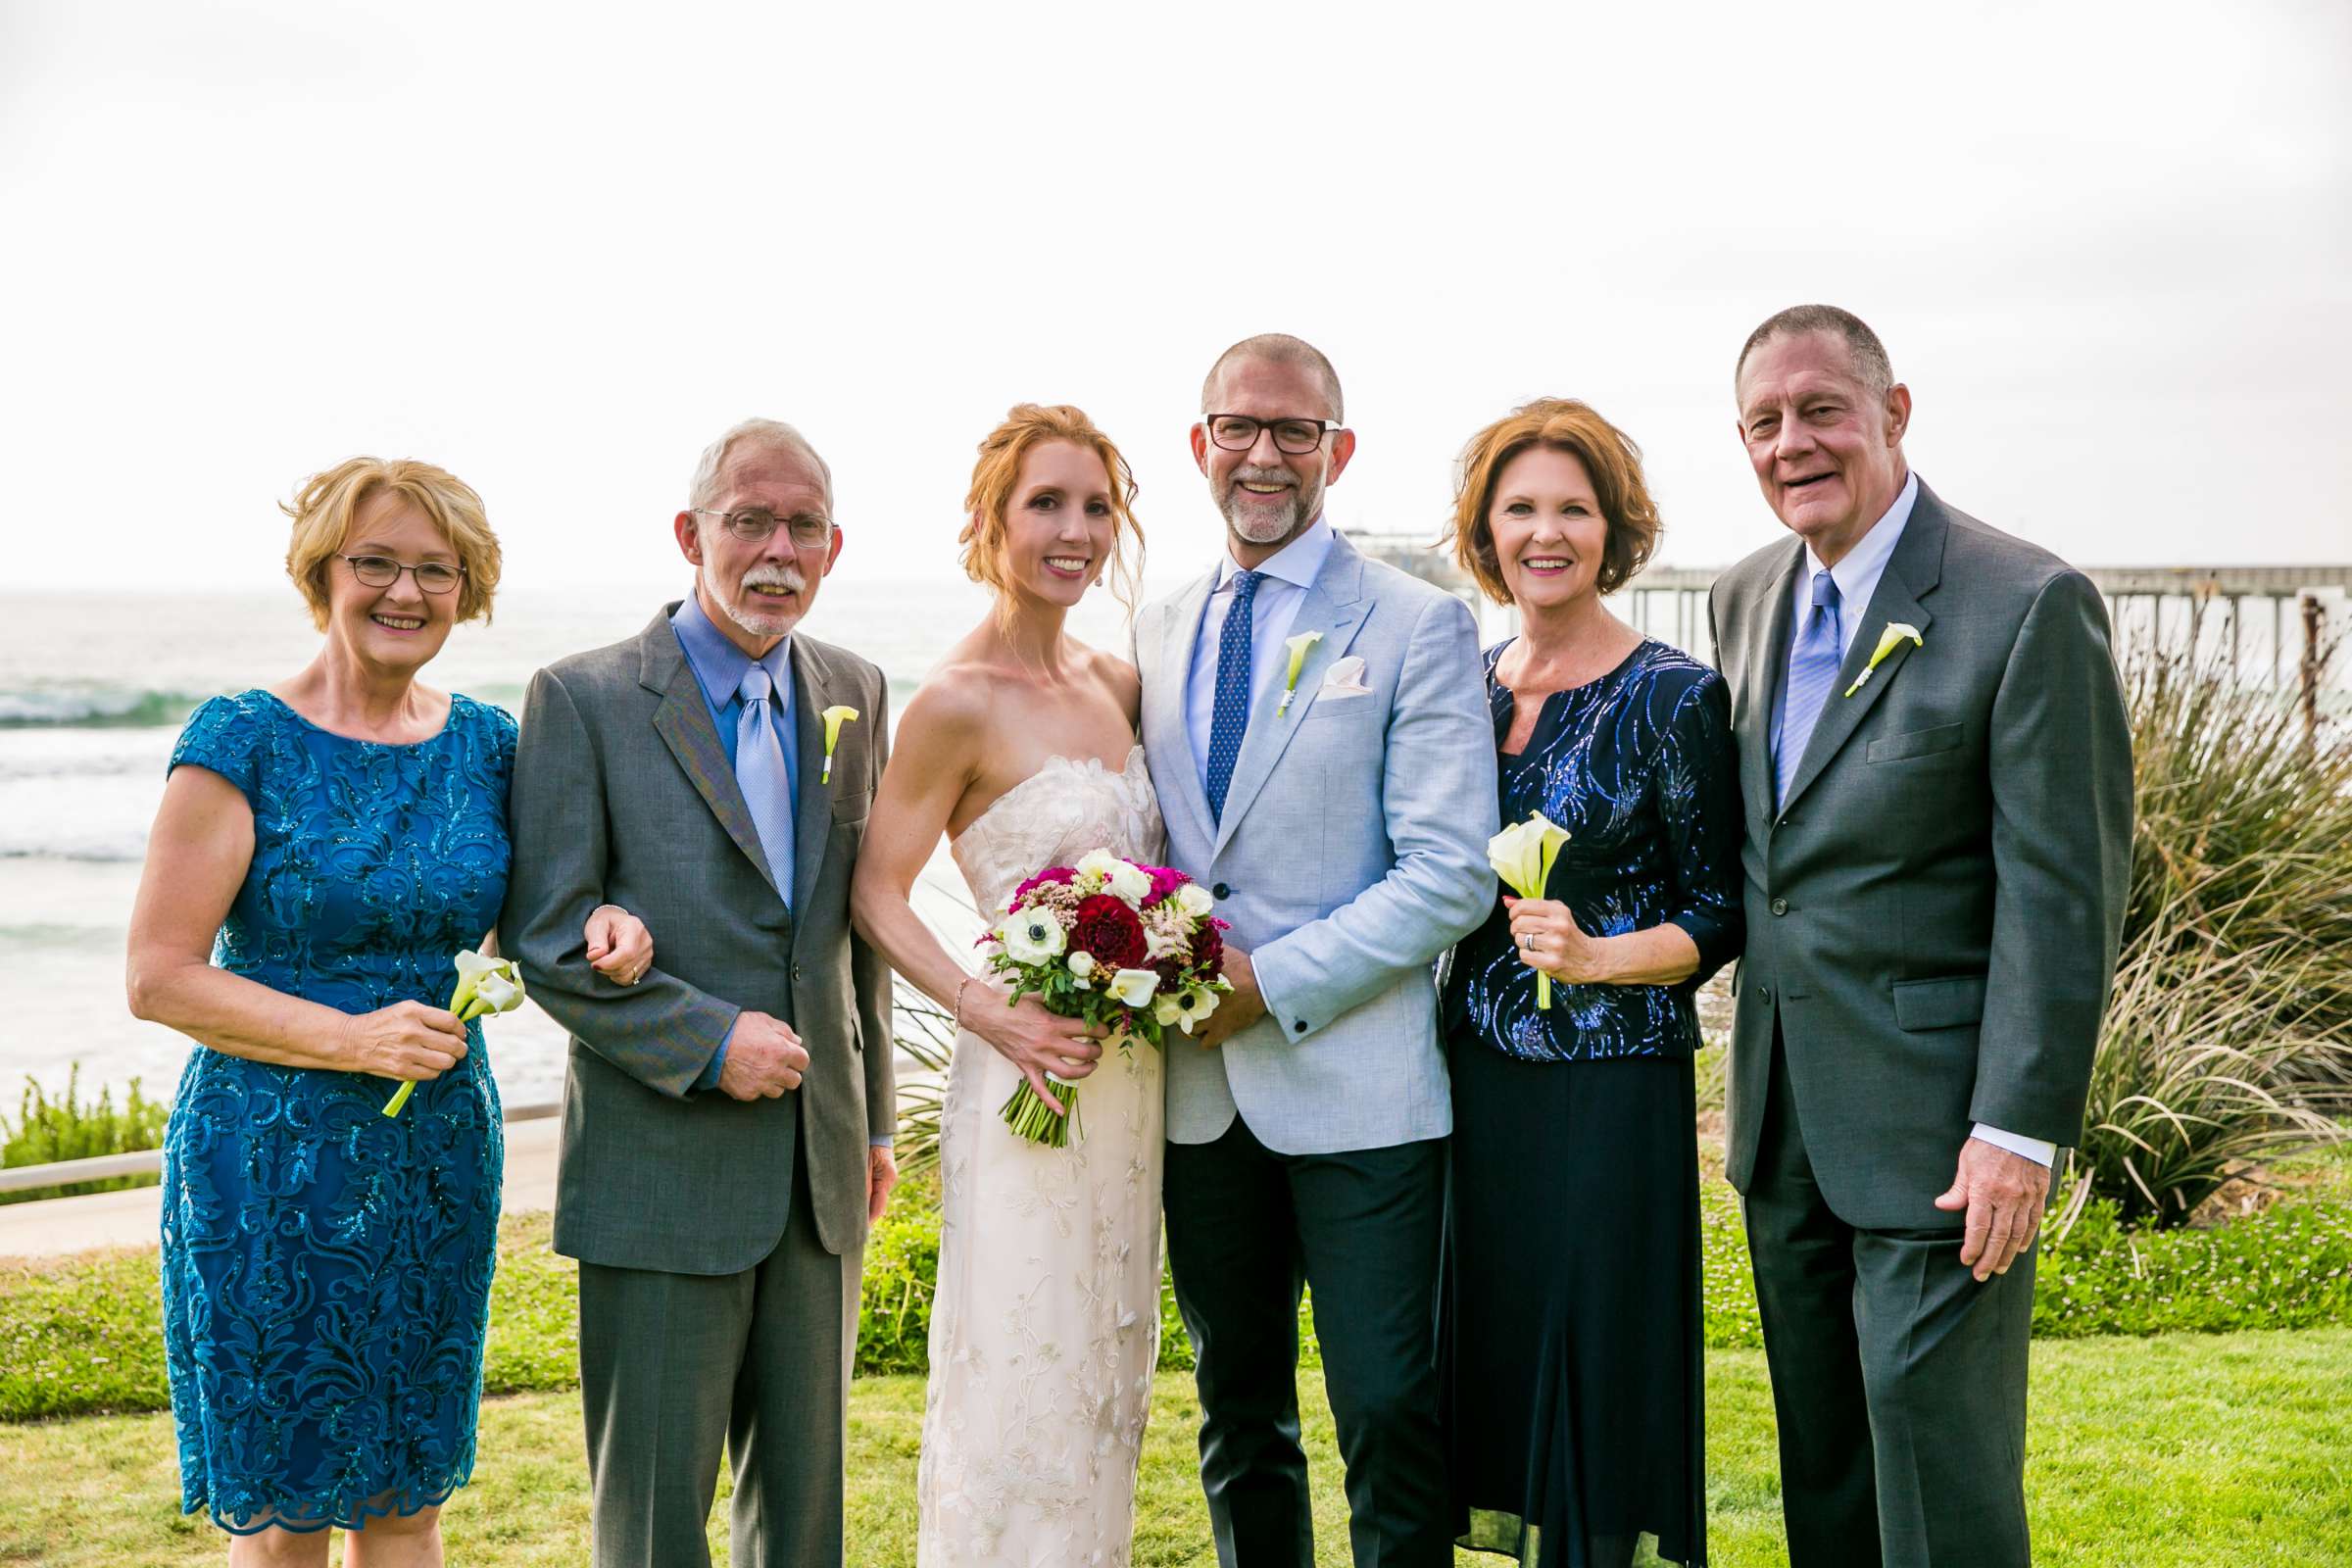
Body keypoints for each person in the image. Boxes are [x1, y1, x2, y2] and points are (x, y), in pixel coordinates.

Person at [127, 457, 655, 1564]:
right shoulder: (241, 741)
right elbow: (160, 974)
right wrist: (351, 1039)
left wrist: (608, 919)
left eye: (437, 570)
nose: (405, 593)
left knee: (409, 1502)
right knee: (287, 1518)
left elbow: (534, 916)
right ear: (322, 571)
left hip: (435, 1163)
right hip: (268, 1165)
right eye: (376, 563)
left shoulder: (489, 747)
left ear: (469, 589)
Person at [1709, 305, 2132, 1567]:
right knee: (1826, 1469)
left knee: (1936, 1474)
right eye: (1765, 421)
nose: (1795, 441)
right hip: (1782, 1126)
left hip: (1946, 1135)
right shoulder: (1742, 599)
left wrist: (2017, 1127)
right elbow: (1763, 867)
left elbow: (2063, 889)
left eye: (1822, 408)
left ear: (1893, 414)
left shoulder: (2027, 600)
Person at [503, 418, 896, 1568]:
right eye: (749, 520)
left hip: (820, 1175)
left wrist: (871, 1120)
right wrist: (711, 1039)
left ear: (834, 546)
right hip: (661, 1166)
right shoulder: (582, 698)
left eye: (804, 527)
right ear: (691, 533)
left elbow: (852, 928)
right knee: (657, 1517)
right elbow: (544, 937)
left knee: (805, 1515)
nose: (778, 549)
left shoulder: (857, 689)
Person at [1134, 333, 1497, 1566]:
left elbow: (1449, 872)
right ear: (1200, 446)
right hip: (1198, 1097)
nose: (1265, 454)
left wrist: (1269, 983)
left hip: (1363, 1092)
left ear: (1337, 450)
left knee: (1390, 1408)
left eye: (1296, 431)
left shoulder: (1417, 623)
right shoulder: (1158, 623)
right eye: (1239, 426)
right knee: (1239, 1410)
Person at [849, 402, 1158, 1564]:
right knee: (1023, 1366)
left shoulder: (1121, 681)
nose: (1073, 530)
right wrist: (985, 1007)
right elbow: (877, 891)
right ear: (990, 519)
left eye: (1095, 506)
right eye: (1046, 504)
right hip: (1022, 1073)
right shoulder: (953, 701)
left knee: (1105, 1366)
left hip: (1132, 1082)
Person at [1435, 399, 1742, 1568]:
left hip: (1611, 1088)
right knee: (1500, 1352)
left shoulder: (1673, 695)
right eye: (1521, 508)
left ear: (1616, 530)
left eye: (1574, 507)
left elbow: (1717, 914)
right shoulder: (1463, 684)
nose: (1545, 532)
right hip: (1476, 1082)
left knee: (1598, 1362)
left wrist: (1599, 956)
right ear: (1486, 530)